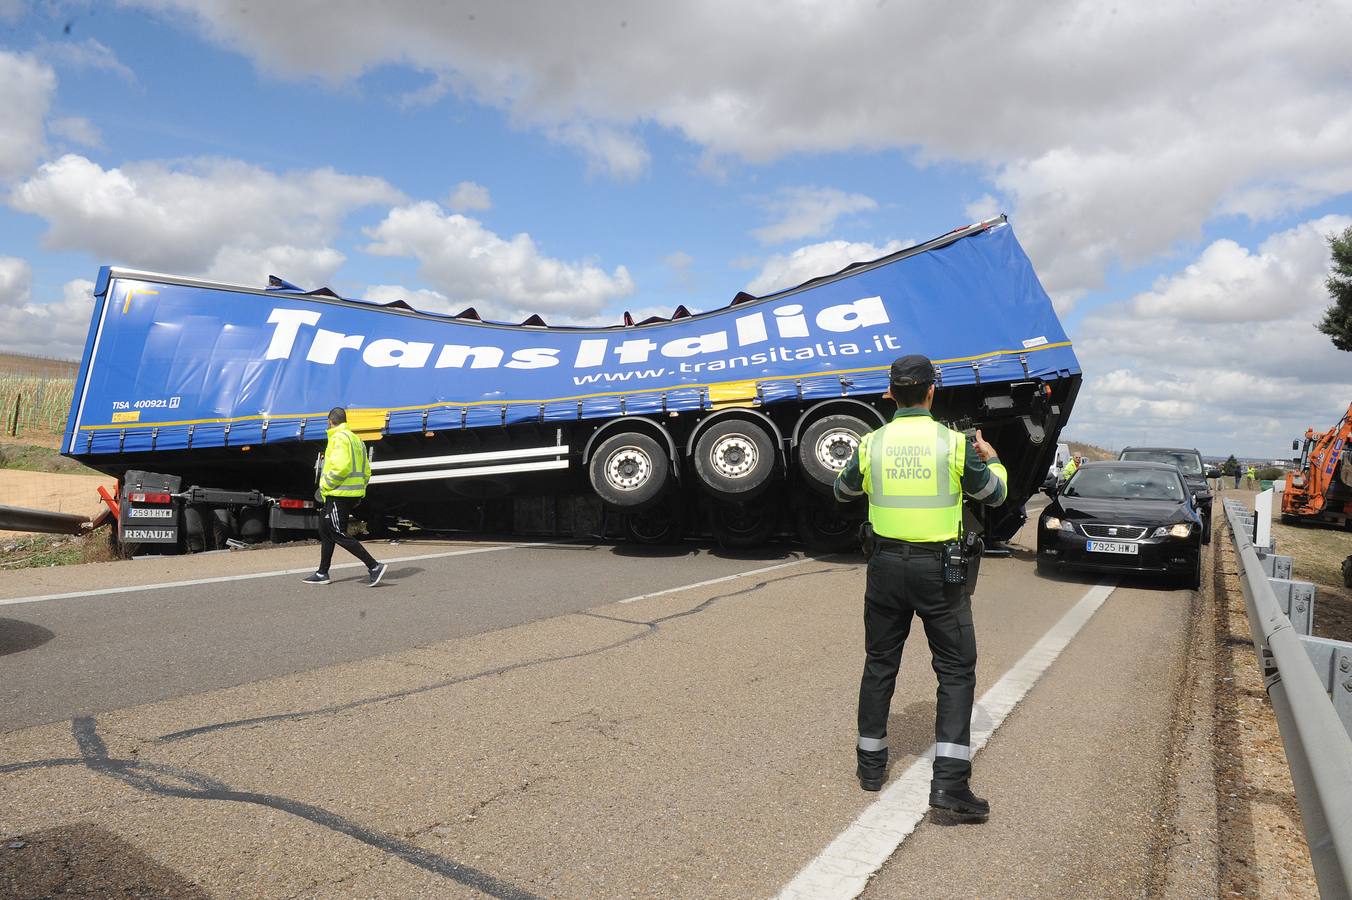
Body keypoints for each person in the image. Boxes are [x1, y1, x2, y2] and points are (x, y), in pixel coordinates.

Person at [834, 354, 1008, 822]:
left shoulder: (871, 443)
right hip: (940, 572)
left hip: (884, 566)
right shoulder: (953, 445)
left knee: (880, 663)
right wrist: (994, 463)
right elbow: (993, 495)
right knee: (954, 671)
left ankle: (870, 769)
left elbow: (842, 490)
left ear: (891, 393)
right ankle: (950, 787)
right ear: (932, 391)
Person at [302, 407, 388, 587]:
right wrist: (360, 491)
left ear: (330, 421)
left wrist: (325, 485)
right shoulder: (356, 439)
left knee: (337, 532)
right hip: (348, 493)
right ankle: (322, 572)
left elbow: (342, 466)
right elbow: (366, 470)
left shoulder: (338, 438)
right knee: (325, 530)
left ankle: (374, 566)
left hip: (337, 493)